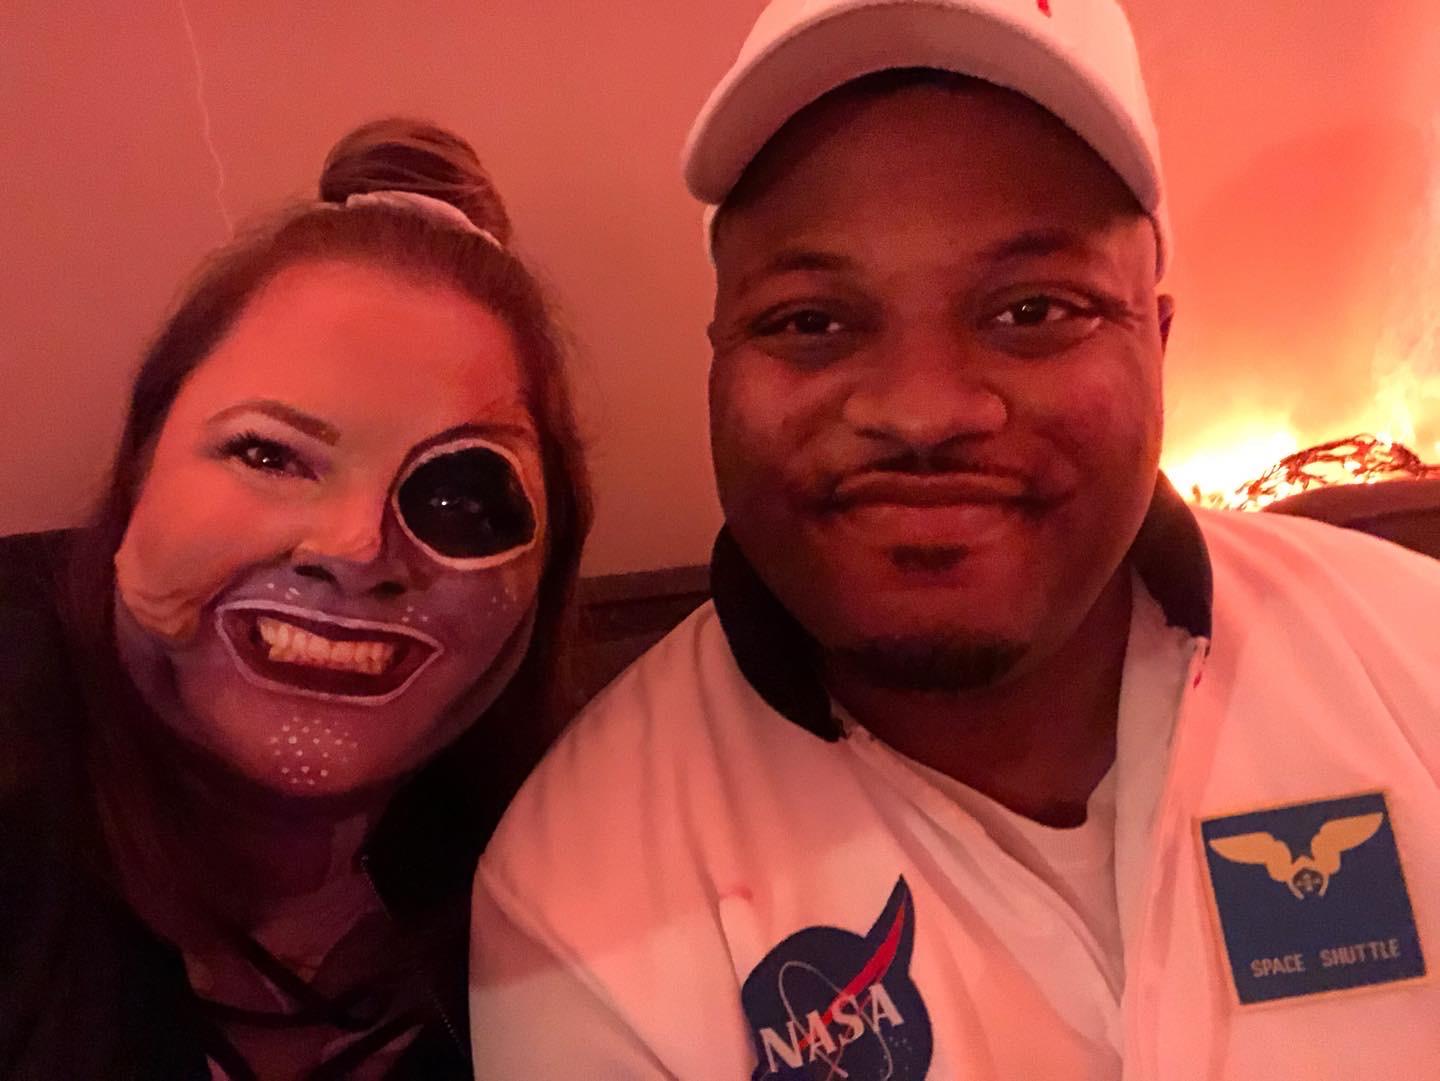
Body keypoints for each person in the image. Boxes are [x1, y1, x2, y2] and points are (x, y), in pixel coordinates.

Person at [469, 1, 1440, 1077]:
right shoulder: (578, 902)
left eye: (1034, 311)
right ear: (719, 359)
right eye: (810, 321)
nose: (923, 411)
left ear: (1157, 341)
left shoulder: (1415, 651)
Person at [0, 118, 590, 1079]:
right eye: (269, 454)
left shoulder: (573, 887)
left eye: (457, 496)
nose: (354, 550)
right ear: (141, 466)